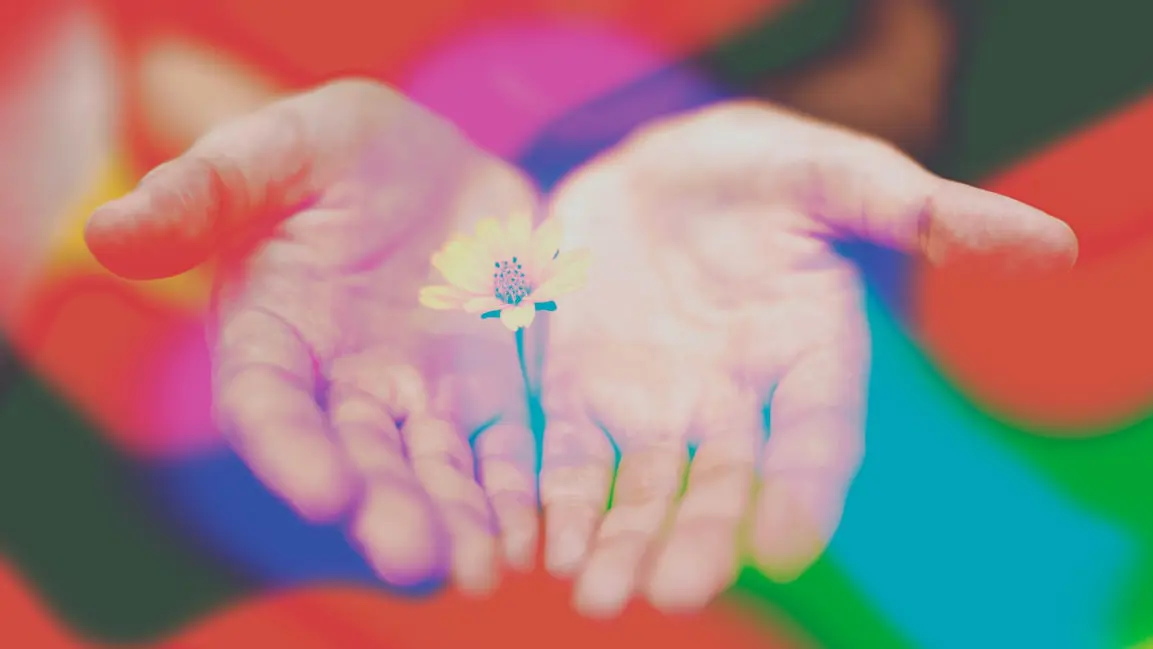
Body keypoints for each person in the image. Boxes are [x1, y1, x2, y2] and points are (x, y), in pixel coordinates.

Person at [84, 72, 1076, 619]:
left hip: (759, 242)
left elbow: (902, 58)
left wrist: (756, 123)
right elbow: (143, 54)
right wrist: (272, 152)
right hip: (374, 311)